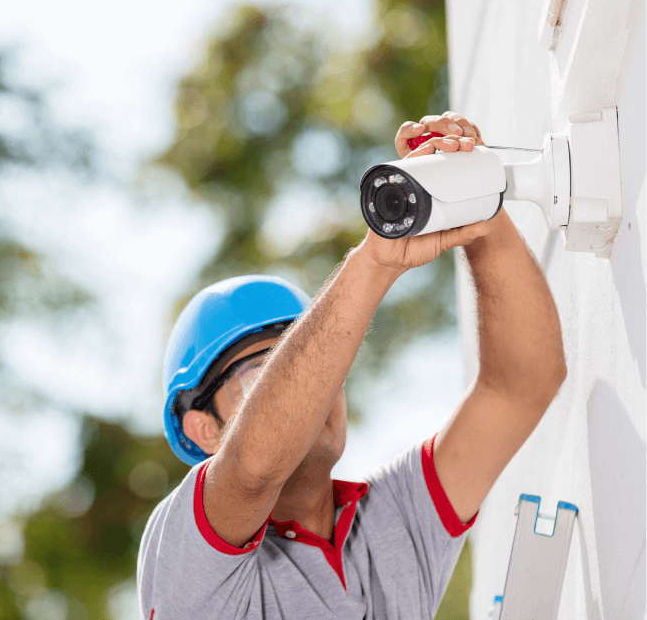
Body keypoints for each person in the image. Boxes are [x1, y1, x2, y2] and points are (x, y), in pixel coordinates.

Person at [138, 113, 567, 619]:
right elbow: (253, 471)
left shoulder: (393, 522)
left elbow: (521, 385)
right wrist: (377, 259)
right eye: (263, 375)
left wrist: (474, 200)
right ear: (204, 429)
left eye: (316, 365)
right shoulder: (189, 559)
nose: (312, 392)